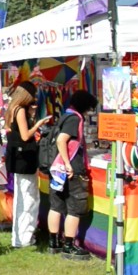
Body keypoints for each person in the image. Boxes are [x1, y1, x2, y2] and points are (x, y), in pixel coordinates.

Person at [47, 90, 97, 260]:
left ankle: (54, 242)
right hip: (70, 168)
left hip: (56, 168)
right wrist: (68, 164)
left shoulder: (64, 115)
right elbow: (62, 140)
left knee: (56, 205)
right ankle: (69, 245)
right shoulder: (75, 119)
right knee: (74, 207)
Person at [5, 82, 51, 248]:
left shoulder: (12, 108)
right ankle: (24, 238)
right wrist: (38, 124)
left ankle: (20, 236)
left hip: (17, 159)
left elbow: (14, 132)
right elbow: (25, 136)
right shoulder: (20, 110)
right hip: (25, 160)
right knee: (28, 197)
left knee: (22, 196)